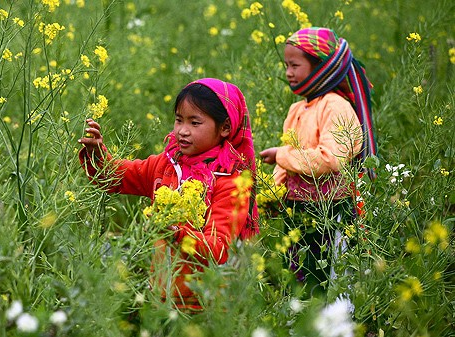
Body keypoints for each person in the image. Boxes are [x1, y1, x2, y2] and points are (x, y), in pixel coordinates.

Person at [78, 78, 258, 312]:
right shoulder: (167, 164)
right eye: (178, 120)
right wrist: (96, 153)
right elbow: (114, 177)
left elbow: (219, 249)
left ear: (225, 127)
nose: (183, 131)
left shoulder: (230, 182)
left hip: (206, 306)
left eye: (195, 123)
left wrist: (176, 232)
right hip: (161, 298)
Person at [259, 27, 376, 293]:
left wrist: (281, 154)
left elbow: (331, 159)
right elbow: (288, 159)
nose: (288, 72)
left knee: (326, 275)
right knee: (297, 274)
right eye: (286, 65)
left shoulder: (335, 106)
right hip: (298, 208)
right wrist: (273, 193)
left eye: (295, 65)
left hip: (330, 211)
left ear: (322, 68)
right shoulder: (298, 108)